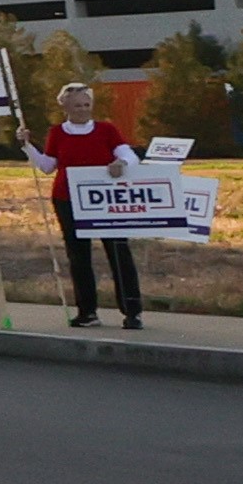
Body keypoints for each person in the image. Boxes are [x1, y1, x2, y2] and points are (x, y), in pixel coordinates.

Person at [32, 77, 146, 331]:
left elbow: (129, 155)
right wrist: (26, 145)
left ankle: (132, 311)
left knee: (118, 252)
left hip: (105, 200)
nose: (82, 110)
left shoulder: (106, 130)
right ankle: (87, 311)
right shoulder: (58, 133)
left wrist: (122, 163)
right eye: (77, 106)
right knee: (78, 255)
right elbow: (47, 166)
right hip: (68, 199)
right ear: (66, 107)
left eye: (86, 105)